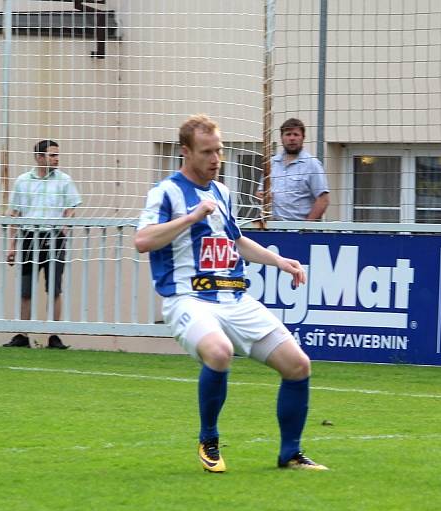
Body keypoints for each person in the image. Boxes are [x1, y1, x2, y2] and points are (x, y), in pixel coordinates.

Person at [134, 114, 328, 473]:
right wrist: (190, 218)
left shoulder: (222, 192)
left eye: (219, 151)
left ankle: (290, 453)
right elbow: (142, 241)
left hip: (234, 298)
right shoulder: (166, 192)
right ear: (185, 152)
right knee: (219, 353)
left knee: (298, 365)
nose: (215, 159)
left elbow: (235, 241)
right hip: (187, 299)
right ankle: (209, 438)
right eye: (206, 152)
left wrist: (279, 260)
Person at [4, 139, 81, 349]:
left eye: (57, 155)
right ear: (39, 157)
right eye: (52, 155)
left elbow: (71, 207)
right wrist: (11, 246)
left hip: (54, 237)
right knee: (26, 288)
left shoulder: (64, 180)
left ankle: (54, 336)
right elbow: (15, 214)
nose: (56, 159)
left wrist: (63, 229)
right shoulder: (23, 181)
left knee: (54, 288)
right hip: (30, 236)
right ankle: (22, 334)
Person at [259, 118, 330, 221]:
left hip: (298, 230)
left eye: (296, 134)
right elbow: (260, 193)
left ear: (303, 138)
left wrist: (306, 228)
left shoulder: (312, 164)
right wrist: (262, 196)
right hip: (272, 228)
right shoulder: (271, 163)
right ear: (281, 138)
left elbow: (323, 200)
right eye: (288, 134)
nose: (292, 138)